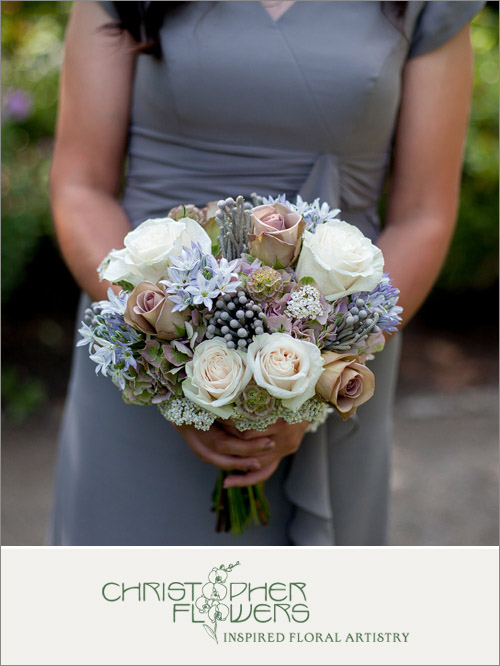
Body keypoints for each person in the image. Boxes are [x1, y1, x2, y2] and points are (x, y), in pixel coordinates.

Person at [48, 0, 484, 546]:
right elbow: (81, 185)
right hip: (142, 356)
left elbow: (424, 215)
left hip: (333, 345)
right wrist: (160, 340)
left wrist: (314, 378)